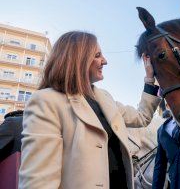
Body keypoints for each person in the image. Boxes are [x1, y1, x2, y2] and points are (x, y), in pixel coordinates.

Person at [18, 31, 161, 189]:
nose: (105, 61)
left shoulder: (105, 98)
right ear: (78, 59)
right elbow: (39, 182)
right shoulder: (46, 101)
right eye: (98, 55)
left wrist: (149, 79)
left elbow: (142, 117)